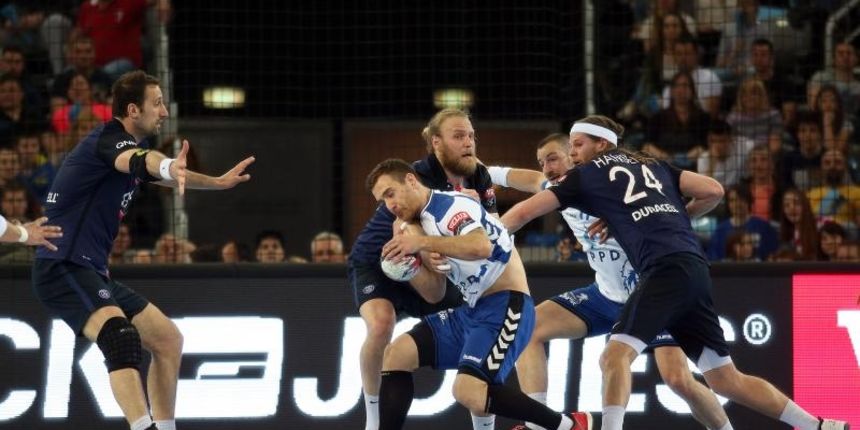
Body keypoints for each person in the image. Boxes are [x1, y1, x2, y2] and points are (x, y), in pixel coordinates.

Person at [500, 115, 849, 430]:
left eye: (575, 146)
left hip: (655, 280)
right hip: (665, 277)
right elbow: (713, 190)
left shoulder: (588, 176)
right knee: (725, 378)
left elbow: (520, 215)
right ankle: (817, 426)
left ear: (601, 145)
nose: (569, 156)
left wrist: (481, 244)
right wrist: (668, 214)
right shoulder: (650, 165)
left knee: (644, 367)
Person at [31, 70, 255, 430]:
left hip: (89, 270)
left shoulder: (124, 149)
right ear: (133, 110)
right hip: (62, 266)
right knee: (120, 338)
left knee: (168, 340)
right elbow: (143, 161)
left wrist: (218, 182)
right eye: (157, 103)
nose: (164, 112)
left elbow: (159, 171)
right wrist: (166, 163)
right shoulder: (109, 141)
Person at [487, 133, 733, 430]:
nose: (548, 168)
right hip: (605, 297)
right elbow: (524, 179)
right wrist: (480, 172)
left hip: (651, 295)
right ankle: (540, 424)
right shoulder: (556, 188)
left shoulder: (605, 185)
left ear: (576, 155)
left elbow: (682, 196)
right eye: (542, 162)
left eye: (554, 158)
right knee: (528, 327)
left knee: (679, 380)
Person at [367, 158, 590, 430]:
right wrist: (411, 268)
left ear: (411, 180)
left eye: (390, 193)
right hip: (472, 310)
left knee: (467, 390)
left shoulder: (450, 206)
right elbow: (435, 294)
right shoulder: (418, 224)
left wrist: (422, 242)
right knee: (397, 354)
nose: (389, 205)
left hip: (507, 305)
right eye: (382, 201)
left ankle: (569, 426)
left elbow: (481, 246)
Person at [347, 108, 484, 430]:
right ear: (436, 143)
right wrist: (426, 245)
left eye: (471, 136)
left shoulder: (476, 174)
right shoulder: (418, 176)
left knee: (478, 335)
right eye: (459, 136)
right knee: (381, 325)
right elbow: (404, 223)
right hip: (376, 262)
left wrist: (553, 186)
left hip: (418, 256)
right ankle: (372, 419)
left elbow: (517, 182)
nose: (468, 142)